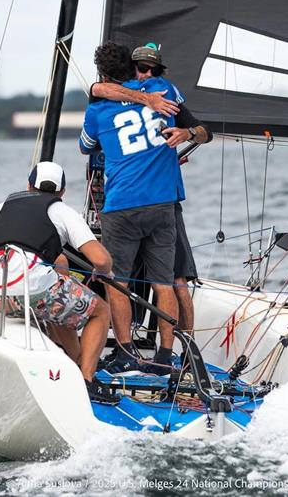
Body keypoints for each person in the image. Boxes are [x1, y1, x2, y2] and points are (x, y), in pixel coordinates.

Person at [0, 161, 118, 405]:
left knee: (60, 302)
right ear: (62, 192)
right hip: (34, 290)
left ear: (28, 185)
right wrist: (103, 271)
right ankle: (87, 381)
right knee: (99, 310)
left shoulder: (1, 207)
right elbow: (101, 259)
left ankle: (74, 364)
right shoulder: (62, 211)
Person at [90, 43, 213, 339]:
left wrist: (187, 133)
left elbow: (205, 132)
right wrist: (146, 99)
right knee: (149, 279)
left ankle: (184, 350)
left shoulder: (164, 92)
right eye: (141, 68)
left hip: (162, 202)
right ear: (130, 70)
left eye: (152, 70)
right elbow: (98, 88)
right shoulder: (144, 94)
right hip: (137, 200)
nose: (146, 74)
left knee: (175, 277)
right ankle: (152, 345)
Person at [79, 41, 183, 375]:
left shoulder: (97, 108)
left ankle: (126, 353)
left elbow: (85, 146)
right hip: (162, 203)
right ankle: (165, 356)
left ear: (104, 74)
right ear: (134, 67)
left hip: (122, 205)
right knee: (163, 283)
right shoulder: (160, 89)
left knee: (117, 282)